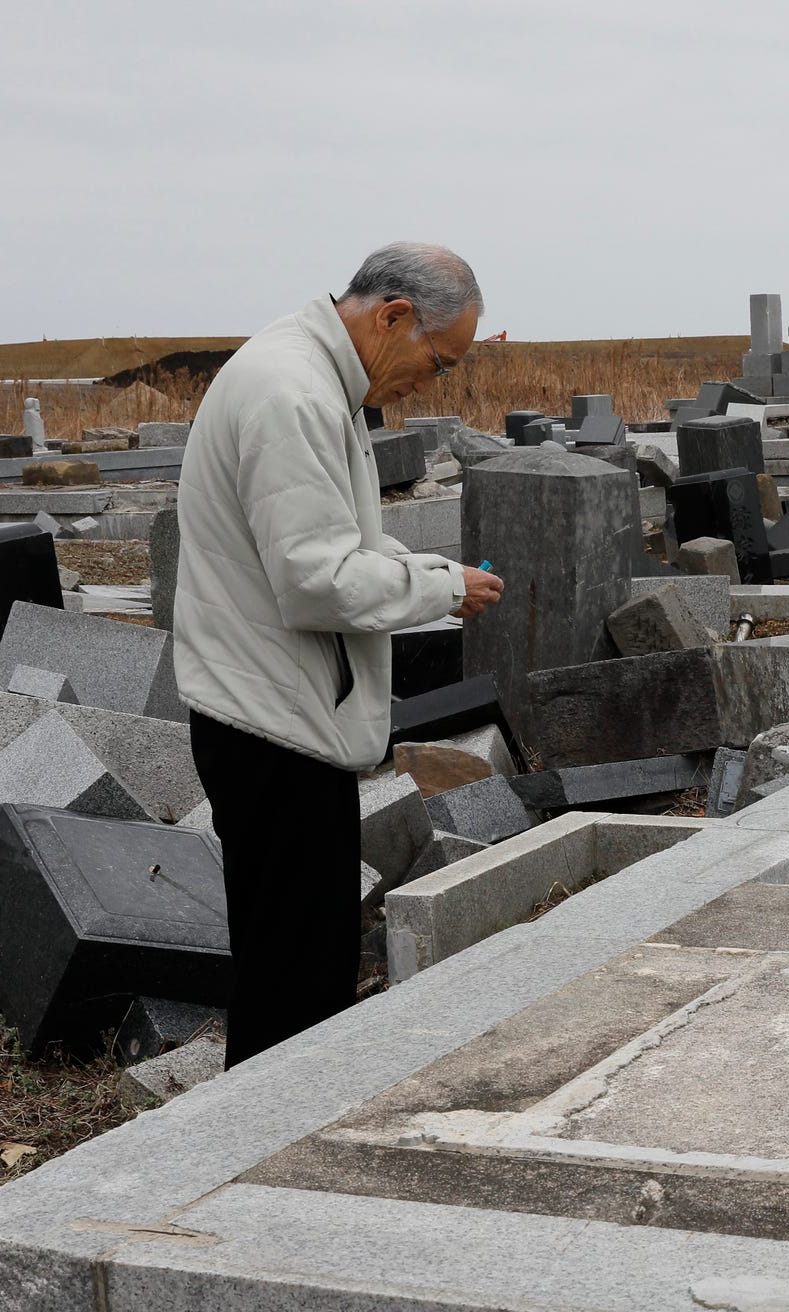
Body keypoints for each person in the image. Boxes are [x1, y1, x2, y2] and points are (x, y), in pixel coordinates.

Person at [172, 242, 502, 1063]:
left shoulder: (308, 372)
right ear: (392, 315)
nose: (432, 382)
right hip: (273, 726)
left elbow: (335, 540)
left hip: (276, 710)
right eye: (438, 359)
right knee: (295, 983)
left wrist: (429, 570)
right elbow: (316, 581)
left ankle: (258, 1152)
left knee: (292, 963)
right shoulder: (295, 394)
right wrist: (441, 592)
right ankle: (262, 1162)